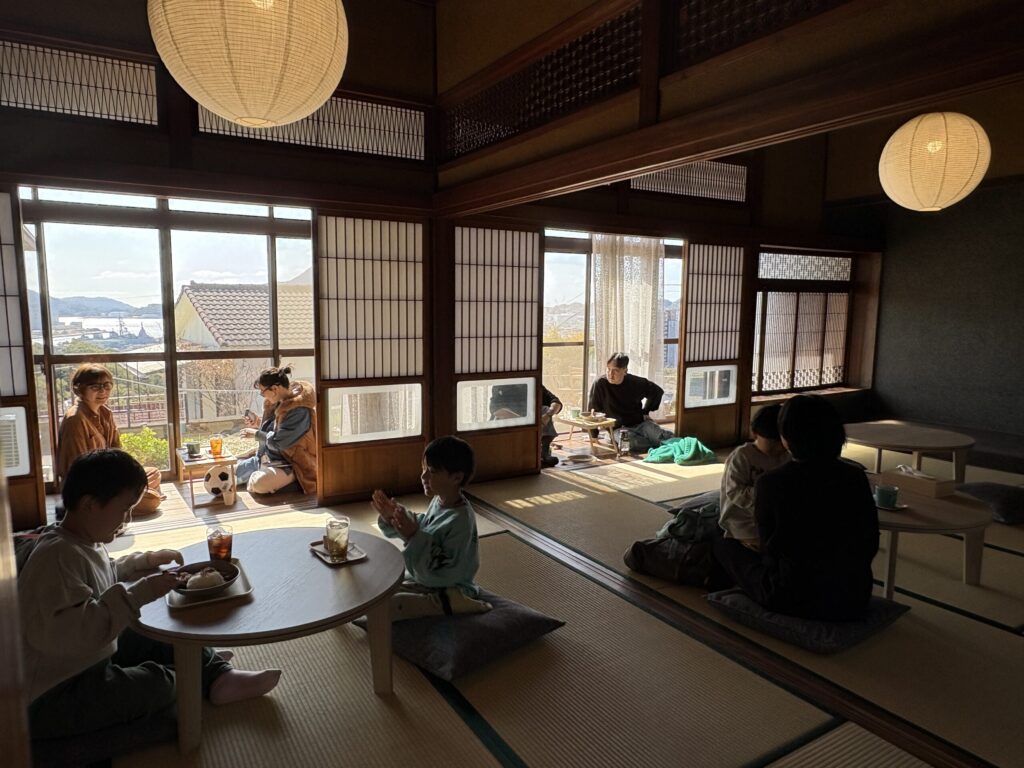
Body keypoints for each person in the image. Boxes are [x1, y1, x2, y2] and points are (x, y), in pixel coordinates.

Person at [19, 449, 281, 740]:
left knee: (160, 634)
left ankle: (217, 675)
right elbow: (75, 634)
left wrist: (145, 561)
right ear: (89, 505)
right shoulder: (55, 558)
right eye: (124, 509)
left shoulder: (81, 541)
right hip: (55, 691)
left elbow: (107, 572)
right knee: (158, 685)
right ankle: (190, 676)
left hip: (88, 659)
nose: (128, 518)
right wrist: (139, 594)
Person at [710, 396, 880, 621]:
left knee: (720, 540)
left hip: (794, 597)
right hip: (853, 596)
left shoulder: (771, 484)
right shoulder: (855, 476)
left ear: (786, 439)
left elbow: (769, 550)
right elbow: (870, 541)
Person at [371, 436, 492, 621]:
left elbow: (446, 570)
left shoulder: (461, 520)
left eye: (432, 471)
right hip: (426, 579)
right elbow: (426, 526)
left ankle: (459, 602)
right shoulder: (439, 500)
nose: (423, 476)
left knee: (395, 604)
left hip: (449, 585)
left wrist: (413, 535)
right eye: (424, 469)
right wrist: (395, 517)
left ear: (456, 477)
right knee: (380, 586)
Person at [56, 363, 162, 517]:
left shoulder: (105, 412)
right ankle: (109, 508)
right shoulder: (75, 420)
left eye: (107, 386)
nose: (103, 391)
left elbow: (117, 450)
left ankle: (122, 504)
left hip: (110, 478)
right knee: (152, 500)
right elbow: (75, 470)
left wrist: (125, 477)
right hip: (89, 488)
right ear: (78, 389)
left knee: (153, 473)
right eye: (95, 386)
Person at [237, 365, 317, 495]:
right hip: (267, 458)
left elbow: (280, 442)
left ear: (275, 388)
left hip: (291, 464)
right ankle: (260, 473)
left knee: (259, 484)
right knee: (229, 473)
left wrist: (256, 434)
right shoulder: (278, 401)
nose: (262, 395)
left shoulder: (299, 411)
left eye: (262, 391)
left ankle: (293, 481)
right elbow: (276, 429)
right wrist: (258, 424)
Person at [718, 404, 789, 548]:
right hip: (743, 517)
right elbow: (734, 491)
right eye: (773, 442)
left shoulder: (787, 456)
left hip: (774, 515)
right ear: (755, 434)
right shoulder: (742, 456)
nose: (779, 447)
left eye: (782, 442)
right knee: (765, 543)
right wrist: (764, 495)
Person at [588, 352, 673, 451]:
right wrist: (594, 434)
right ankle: (658, 445)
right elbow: (593, 410)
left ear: (625, 371)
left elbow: (657, 391)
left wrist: (646, 411)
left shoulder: (635, 382)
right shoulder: (600, 384)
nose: (610, 374)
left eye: (615, 370)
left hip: (640, 424)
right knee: (630, 443)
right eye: (608, 369)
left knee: (664, 436)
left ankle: (659, 443)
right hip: (618, 429)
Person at [540, 386, 563, 467]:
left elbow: (556, 402)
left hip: (536, 421)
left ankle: (544, 452)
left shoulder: (535, 383)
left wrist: (548, 415)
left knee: (545, 409)